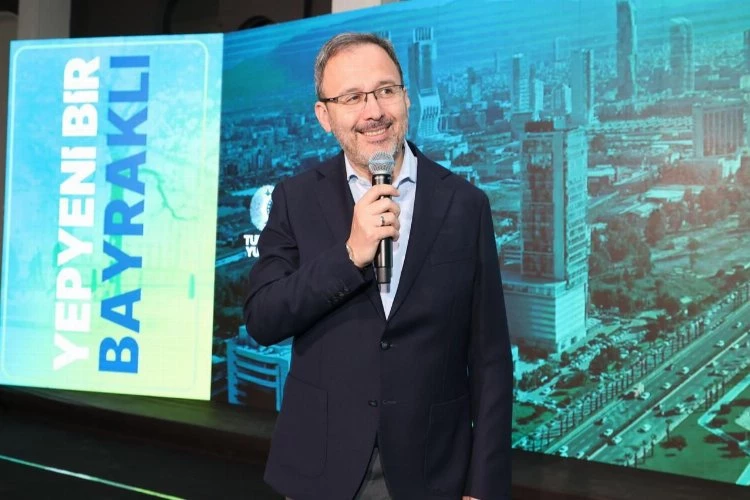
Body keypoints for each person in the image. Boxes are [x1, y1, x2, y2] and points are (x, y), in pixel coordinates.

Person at [243, 32, 513, 500]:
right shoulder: (295, 198)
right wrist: (350, 255)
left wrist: (483, 487)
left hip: (433, 470)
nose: (374, 111)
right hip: (322, 467)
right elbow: (263, 318)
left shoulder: (465, 204)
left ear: (407, 99)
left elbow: (490, 358)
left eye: (385, 90)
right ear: (324, 116)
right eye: (352, 97)